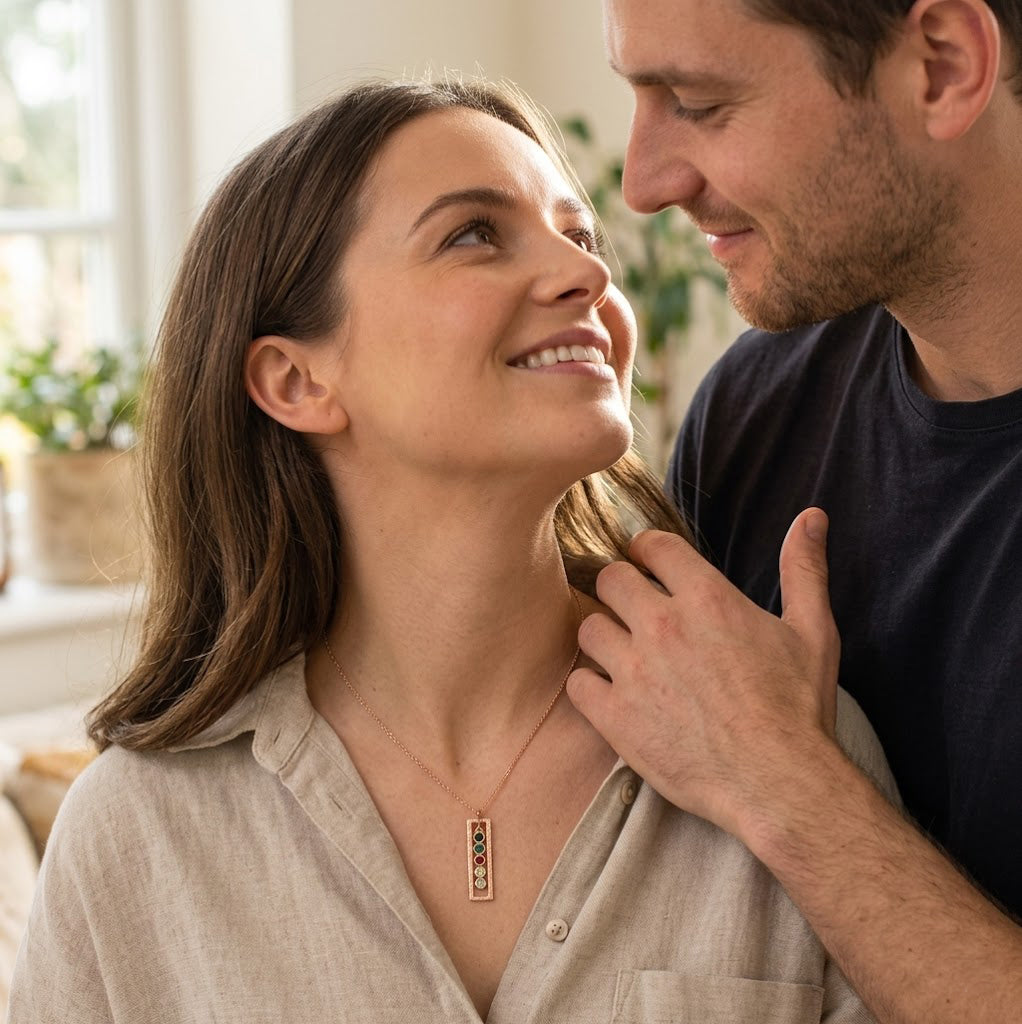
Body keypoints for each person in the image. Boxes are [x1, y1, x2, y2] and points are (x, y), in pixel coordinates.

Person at [8, 78, 890, 1023]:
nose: (587, 275)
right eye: (474, 233)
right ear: (297, 379)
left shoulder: (783, 743)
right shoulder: (138, 835)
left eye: (581, 237)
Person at [566, 1, 1022, 1022]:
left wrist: (784, 781)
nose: (643, 186)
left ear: (942, 67)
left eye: (698, 104)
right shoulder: (753, 414)